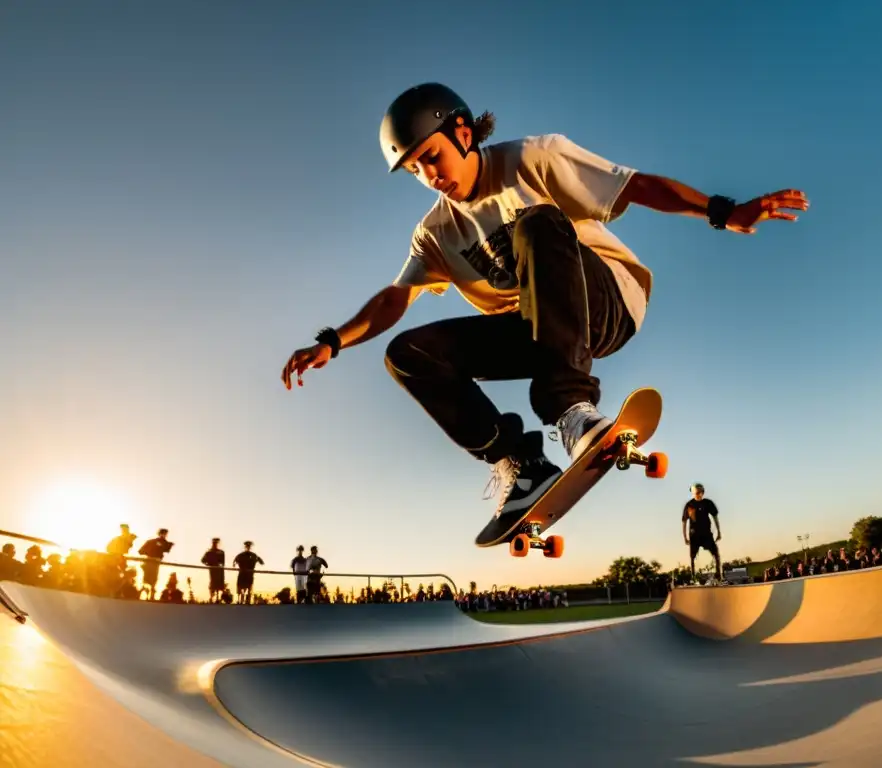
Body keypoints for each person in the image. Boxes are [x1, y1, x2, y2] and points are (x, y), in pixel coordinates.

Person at [281, 82, 808, 527]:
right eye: (416, 169)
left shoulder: (530, 158)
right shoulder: (435, 233)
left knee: (534, 222)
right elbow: (396, 297)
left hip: (606, 302)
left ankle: (569, 408)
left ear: (462, 132)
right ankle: (521, 464)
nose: (430, 175)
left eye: (432, 157)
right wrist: (333, 341)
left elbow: (635, 186)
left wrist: (723, 211)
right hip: (535, 333)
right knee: (407, 353)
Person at [683, 483, 722, 582]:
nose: (699, 495)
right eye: (696, 493)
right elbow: (684, 521)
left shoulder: (708, 503)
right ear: (693, 493)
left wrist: (719, 531)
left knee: (715, 553)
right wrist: (685, 537)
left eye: (700, 493)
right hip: (694, 535)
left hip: (706, 534)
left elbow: (715, 517)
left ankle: (718, 576)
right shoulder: (689, 505)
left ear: (703, 493)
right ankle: (693, 577)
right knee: (692, 557)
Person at [200, 537, 226, 603]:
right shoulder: (209, 552)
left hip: (219, 570)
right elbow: (203, 560)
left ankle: (217, 598)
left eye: (216, 543)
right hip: (213, 570)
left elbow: (223, 562)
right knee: (213, 583)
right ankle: (211, 598)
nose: (215, 544)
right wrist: (208, 564)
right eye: (214, 543)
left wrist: (220, 565)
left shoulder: (221, 552)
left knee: (219, 583)